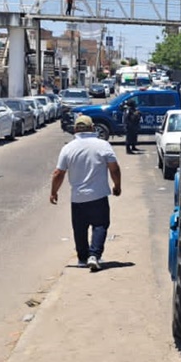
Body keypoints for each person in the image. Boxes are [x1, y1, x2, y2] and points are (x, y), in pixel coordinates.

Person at [50, 114, 121, 271]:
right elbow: (114, 168)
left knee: (80, 228)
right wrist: (117, 186)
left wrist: (54, 192)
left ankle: (82, 258)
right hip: (99, 195)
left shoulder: (68, 148)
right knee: (100, 225)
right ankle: (94, 255)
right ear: (92, 128)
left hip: (78, 197)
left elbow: (58, 173)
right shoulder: (103, 145)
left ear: (76, 129)